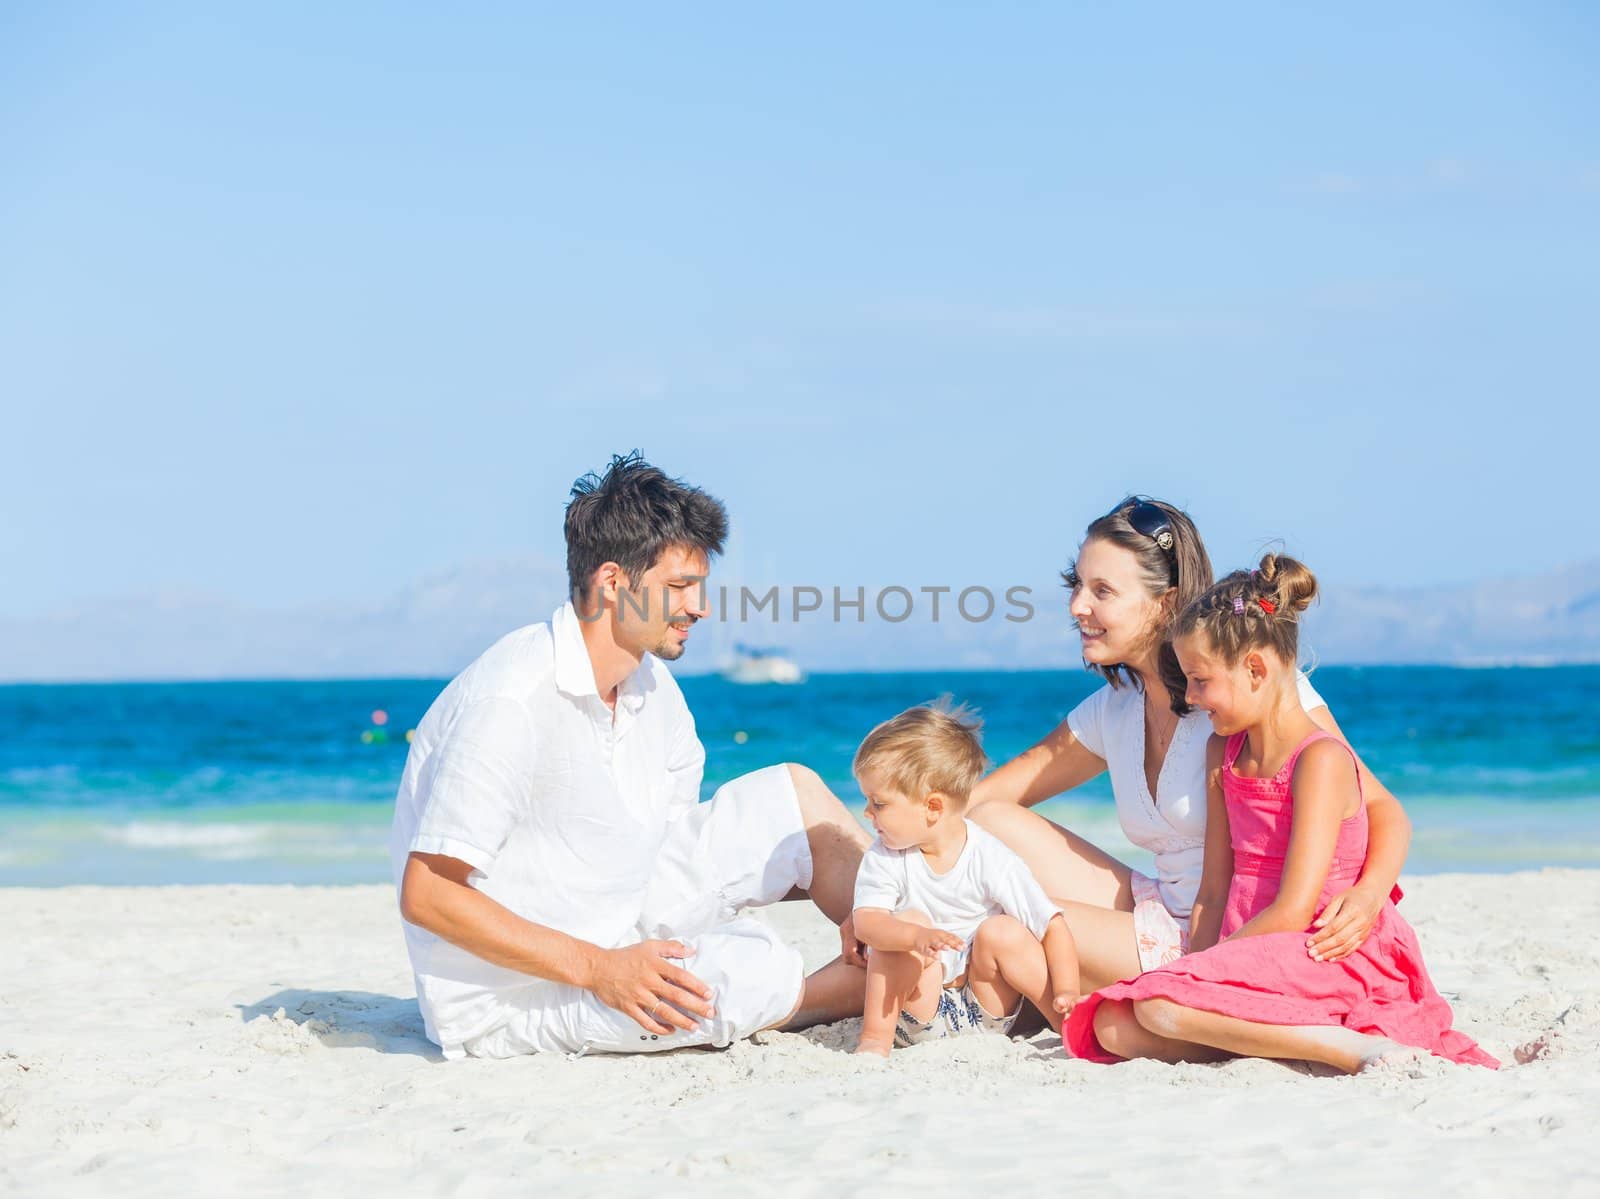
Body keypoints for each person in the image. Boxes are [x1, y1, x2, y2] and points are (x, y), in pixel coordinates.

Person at [390, 452, 871, 1059]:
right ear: (613, 583)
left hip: (622, 909)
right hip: (521, 992)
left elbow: (681, 844)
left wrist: (853, 898)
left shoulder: (653, 689)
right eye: (677, 587)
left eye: (699, 586)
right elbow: (428, 893)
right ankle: (851, 992)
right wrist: (601, 969)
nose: (699, 607)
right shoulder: (510, 701)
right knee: (749, 974)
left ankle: (924, 951)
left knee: (795, 799)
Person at [1064, 555, 1499, 1071]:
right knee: (1114, 1025)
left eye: (1201, 681)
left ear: (1255, 669)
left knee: (1159, 1005)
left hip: (1317, 948)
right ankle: (1264, 1032)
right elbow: (1212, 891)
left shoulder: (1319, 760)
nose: (1194, 699)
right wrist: (1197, 967)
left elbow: (1295, 908)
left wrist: (1201, 975)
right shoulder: (1221, 755)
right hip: (1249, 943)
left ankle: (1345, 1047)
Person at [970, 497, 1412, 991]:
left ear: (1164, 602)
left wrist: (1371, 895)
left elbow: (1378, 805)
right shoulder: (1112, 708)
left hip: (1227, 934)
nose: (1077, 606)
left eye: (1102, 590)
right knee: (983, 822)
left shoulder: (1252, 692)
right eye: (1076, 584)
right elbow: (984, 802)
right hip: (1159, 908)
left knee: (1014, 924)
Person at [850, 701, 1079, 1057]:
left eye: (879, 804)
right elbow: (866, 923)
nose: (867, 813)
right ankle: (874, 1040)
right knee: (907, 922)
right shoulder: (884, 856)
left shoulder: (989, 855)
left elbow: (1051, 924)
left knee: (1002, 931)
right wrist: (915, 936)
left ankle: (1068, 1025)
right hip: (919, 1011)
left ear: (933, 807)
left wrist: (1066, 988)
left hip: (985, 1011)